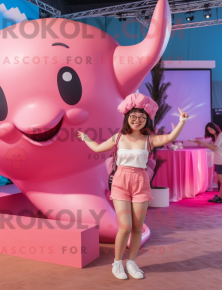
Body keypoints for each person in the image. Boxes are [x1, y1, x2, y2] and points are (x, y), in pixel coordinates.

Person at [77, 93, 189, 280]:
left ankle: (131, 262)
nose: (137, 120)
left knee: (137, 226)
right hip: (121, 182)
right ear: (127, 118)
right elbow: (98, 148)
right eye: (134, 117)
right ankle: (117, 263)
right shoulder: (118, 137)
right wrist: (86, 138)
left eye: (142, 118)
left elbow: (169, 137)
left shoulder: (149, 139)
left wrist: (182, 122)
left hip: (141, 182)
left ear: (147, 121)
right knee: (125, 226)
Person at [193, 122, 222, 203]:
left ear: (216, 127)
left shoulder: (220, 135)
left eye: (211, 129)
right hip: (218, 161)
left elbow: (215, 148)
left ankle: (220, 197)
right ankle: (220, 197)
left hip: (220, 161)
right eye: (209, 130)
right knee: (221, 181)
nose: (211, 131)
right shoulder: (214, 137)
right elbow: (211, 148)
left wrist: (203, 143)